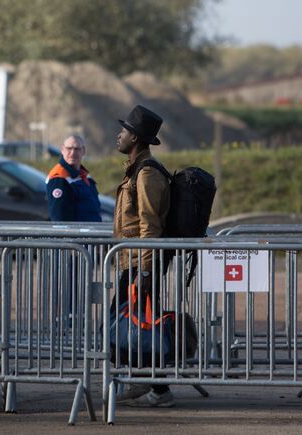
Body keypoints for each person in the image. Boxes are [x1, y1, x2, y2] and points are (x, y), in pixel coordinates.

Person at [112, 105, 173, 407]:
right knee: (133, 324)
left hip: (142, 263)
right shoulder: (137, 170)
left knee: (140, 325)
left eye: (122, 132)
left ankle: (159, 390)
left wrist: (146, 272)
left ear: (134, 137)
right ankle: (144, 381)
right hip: (133, 262)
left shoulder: (147, 174)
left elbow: (150, 225)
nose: (118, 136)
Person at [46, 134, 102, 222]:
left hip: (91, 232)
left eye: (77, 149)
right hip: (77, 234)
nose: (73, 153)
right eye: (69, 148)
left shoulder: (84, 175)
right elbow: (59, 219)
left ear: (83, 151)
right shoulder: (59, 177)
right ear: (62, 150)